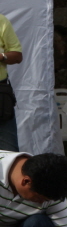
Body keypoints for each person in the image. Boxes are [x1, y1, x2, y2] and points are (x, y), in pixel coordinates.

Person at [0, 11, 24, 151]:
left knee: (8, 152)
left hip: (0, 95)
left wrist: (1, 56)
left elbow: (17, 56)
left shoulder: (1, 21)